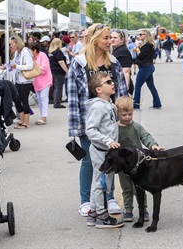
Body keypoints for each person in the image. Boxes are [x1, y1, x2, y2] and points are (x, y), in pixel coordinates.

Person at [67, 23, 128, 217]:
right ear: (94, 40)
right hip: (90, 121)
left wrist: (124, 116)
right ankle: (86, 201)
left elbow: (122, 91)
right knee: (87, 161)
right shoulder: (79, 63)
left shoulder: (113, 62)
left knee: (111, 159)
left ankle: (108, 198)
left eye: (111, 38)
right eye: (106, 38)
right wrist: (77, 127)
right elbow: (73, 96)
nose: (110, 41)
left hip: (110, 121)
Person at [85, 72, 124, 229]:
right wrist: (108, 141)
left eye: (112, 80)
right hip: (101, 152)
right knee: (102, 184)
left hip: (106, 152)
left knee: (100, 182)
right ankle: (102, 217)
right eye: (108, 82)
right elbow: (91, 130)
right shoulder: (98, 107)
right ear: (99, 89)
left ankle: (93, 213)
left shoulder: (109, 104)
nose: (112, 83)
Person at [115, 96, 164, 222]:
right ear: (117, 114)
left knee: (140, 188)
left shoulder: (136, 127)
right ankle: (128, 210)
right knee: (126, 187)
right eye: (124, 114)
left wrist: (153, 145)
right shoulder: (114, 129)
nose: (127, 117)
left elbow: (145, 136)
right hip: (123, 165)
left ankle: (144, 209)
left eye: (130, 114)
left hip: (138, 164)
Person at [9, 36, 35, 129]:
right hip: (18, 80)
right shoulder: (17, 53)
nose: (11, 45)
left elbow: (30, 65)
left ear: (17, 43)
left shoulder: (25, 51)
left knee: (24, 100)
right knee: (16, 99)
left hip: (25, 80)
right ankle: (22, 119)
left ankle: (26, 122)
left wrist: (18, 66)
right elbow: (14, 63)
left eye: (12, 44)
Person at [133, 30, 162, 110]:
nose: (140, 35)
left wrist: (138, 49)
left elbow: (141, 56)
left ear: (146, 36)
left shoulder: (147, 46)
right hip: (149, 66)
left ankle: (136, 105)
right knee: (151, 86)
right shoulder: (149, 45)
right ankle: (157, 103)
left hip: (145, 67)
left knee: (138, 86)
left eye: (141, 34)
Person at [29, 43, 52, 125]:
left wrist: (35, 69)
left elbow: (45, 68)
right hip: (36, 82)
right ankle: (42, 116)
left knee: (43, 98)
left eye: (31, 51)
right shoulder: (32, 58)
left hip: (45, 80)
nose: (30, 52)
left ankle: (44, 117)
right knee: (39, 99)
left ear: (35, 50)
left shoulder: (43, 55)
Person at [48, 38, 68, 109]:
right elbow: (61, 62)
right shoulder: (58, 52)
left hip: (53, 71)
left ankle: (56, 100)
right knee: (59, 87)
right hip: (59, 71)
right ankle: (57, 102)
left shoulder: (50, 52)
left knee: (56, 87)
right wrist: (67, 70)